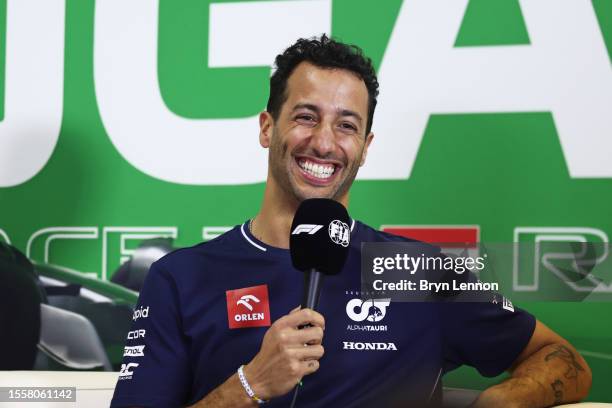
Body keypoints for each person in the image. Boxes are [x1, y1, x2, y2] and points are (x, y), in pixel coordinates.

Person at [110, 35, 592, 407]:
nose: (323, 142)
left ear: (365, 146)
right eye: (305, 116)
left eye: (346, 125)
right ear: (266, 127)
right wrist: (250, 384)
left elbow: (564, 361)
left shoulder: (415, 271)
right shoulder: (183, 277)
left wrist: (499, 402)